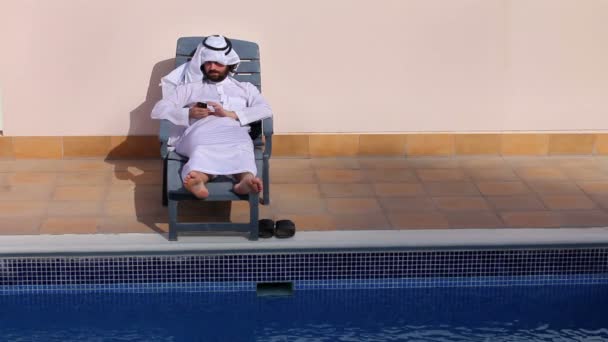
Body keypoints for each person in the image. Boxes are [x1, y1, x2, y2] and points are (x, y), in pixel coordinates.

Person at [151, 35, 272, 199]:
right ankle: (198, 179)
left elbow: (265, 109)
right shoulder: (190, 89)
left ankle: (246, 181)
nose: (212, 67)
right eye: (208, 63)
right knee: (202, 148)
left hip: (234, 132)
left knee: (241, 146)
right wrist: (188, 113)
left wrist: (231, 114)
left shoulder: (245, 88)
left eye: (218, 64)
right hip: (200, 132)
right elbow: (159, 109)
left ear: (229, 65)